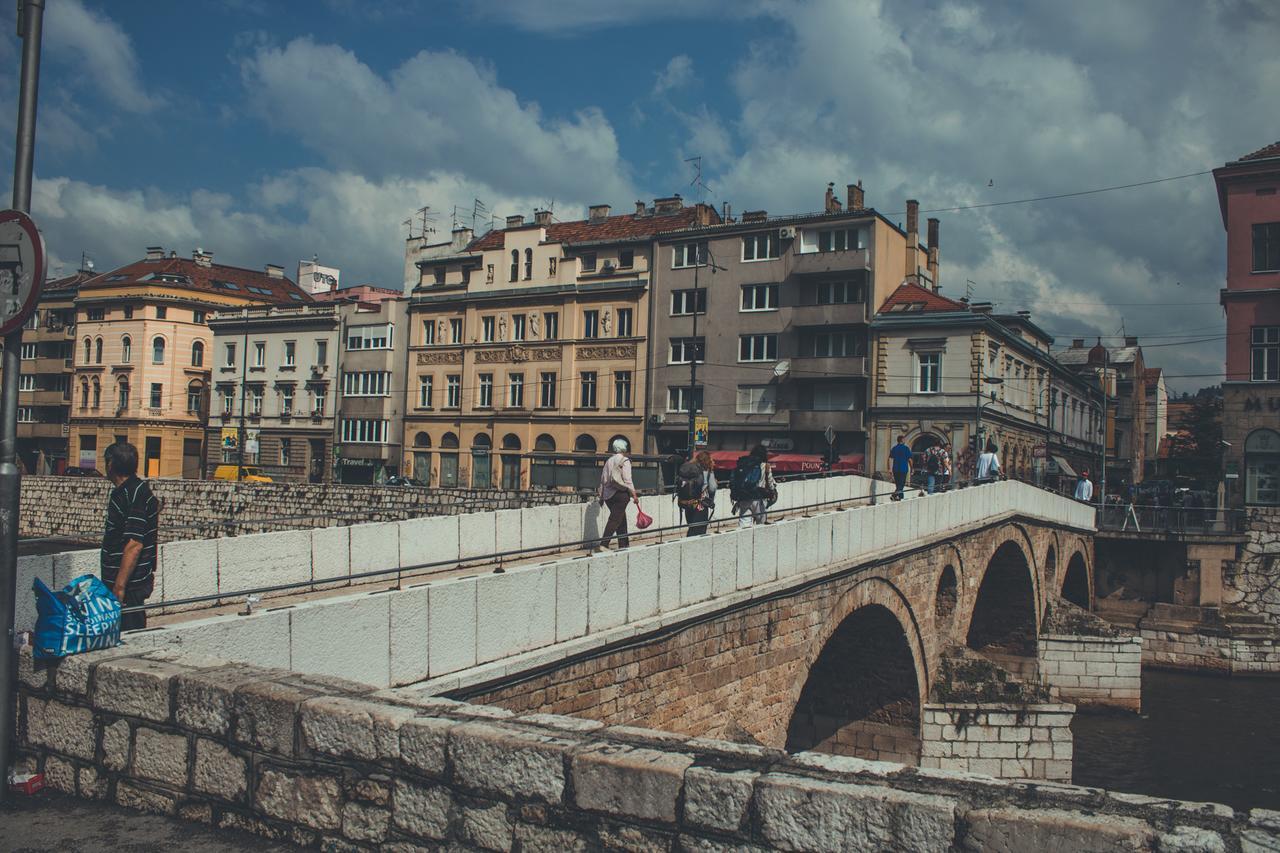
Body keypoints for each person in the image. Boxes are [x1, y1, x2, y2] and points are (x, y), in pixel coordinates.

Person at [100, 442, 160, 631]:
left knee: (130, 636)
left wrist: (119, 587)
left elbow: (134, 544)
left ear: (110, 464)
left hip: (130, 587)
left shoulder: (135, 493)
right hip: (123, 583)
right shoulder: (127, 491)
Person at [597, 437, 637, 552]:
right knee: (615, 519)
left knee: (621, 519)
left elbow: (603, 480)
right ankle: (604, 544)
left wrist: (601, 497)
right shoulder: (625, 461)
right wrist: (634, 495)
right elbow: (628, 480)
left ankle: (624, 545)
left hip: (609, 496)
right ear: (624, 448)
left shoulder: (609, 461)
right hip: (621, 495)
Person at [731, 445, 775, 528]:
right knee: (761, 525)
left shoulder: (745, 464)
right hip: (759, 499)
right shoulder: (765, 466)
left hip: (744, 497)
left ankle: (744, 540)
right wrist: (772, 491)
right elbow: (770, 483)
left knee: (744, 525)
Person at [677, 451, 717, 536]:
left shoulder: (688, 470)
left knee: (692, 526)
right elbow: (712, 488)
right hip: (700, 505)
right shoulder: (707, 471)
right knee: (699, 530)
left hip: (687, 504)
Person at [888, 435, 912, 500]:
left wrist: (890, 468)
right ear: (902, 440)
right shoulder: (906, 448)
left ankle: (900, 498)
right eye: (904, 440)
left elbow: (890, 458)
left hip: (895, 469)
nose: (905, 441)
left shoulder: (894, 448)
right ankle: (894, 494)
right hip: (903, 469)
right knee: (901, 485)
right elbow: (910, 459)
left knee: (898, 484)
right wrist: (912, 468)